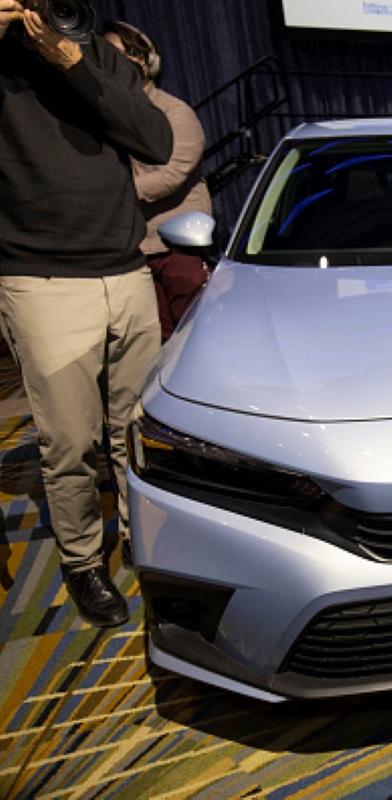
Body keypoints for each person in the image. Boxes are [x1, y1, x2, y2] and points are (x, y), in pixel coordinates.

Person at [0, 2, 172, 626]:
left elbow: (155, 141)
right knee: (70, 442)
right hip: (40, 279)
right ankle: (81, 562)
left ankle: (141, 542)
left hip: (127, 271)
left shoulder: (95, 55)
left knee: (138, 435)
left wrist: (73, 64)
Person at [102, 20, 211, 341]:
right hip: (133, 249)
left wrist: (111, 194)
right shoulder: (107, 114)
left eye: (120, 53)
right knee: (153, 343)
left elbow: (174, 173)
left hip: (178, 246)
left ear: (144, 60)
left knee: (193, 336)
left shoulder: (174, 111)